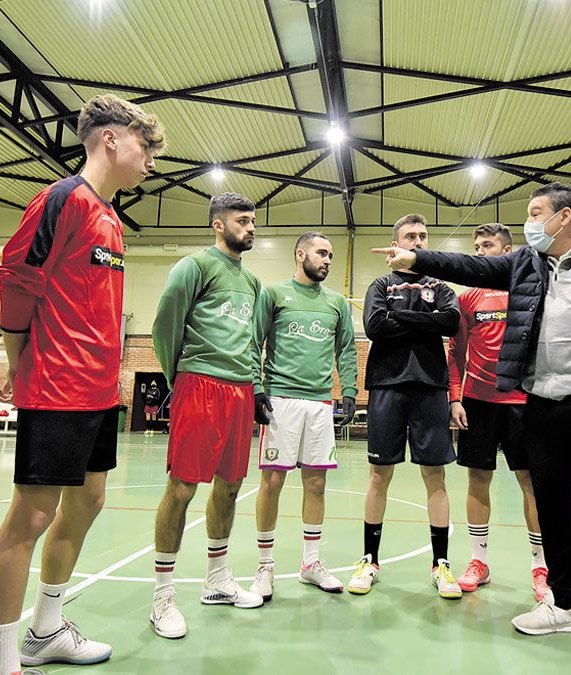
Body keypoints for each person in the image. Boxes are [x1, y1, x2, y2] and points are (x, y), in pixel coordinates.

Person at [373, 183, 571, 675]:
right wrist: (417, 258)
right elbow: (469, 268)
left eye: (536, 213)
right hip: (541, 405)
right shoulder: (526, 265)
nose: (528, 223)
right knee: (554, 509)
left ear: (564, 217)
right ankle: (563, 606)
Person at [0, 94, 164, 675]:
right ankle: (2, 659)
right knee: (31, 517)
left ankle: (46, 629)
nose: (151, 160)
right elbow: (16, 280)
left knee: (87, 502)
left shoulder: (111, 218)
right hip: (55, 384)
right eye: (145, 145)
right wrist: (18, 361)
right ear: (110, 139)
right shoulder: (63, 200)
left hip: (97, 392)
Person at [149, 193, 266, 640]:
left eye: (253, 221)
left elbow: (253, 342)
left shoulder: (253, 282)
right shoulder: (193, 267)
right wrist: (179, 377)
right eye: (242, 220)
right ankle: (162, 596)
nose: (251, 228)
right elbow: (165, 326)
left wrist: (253, 387)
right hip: (199, 383)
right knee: (182, 488)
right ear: (218, 225)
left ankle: (217, 580)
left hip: (238, 392)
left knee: (231, 485)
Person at [350, 214, 463, 600]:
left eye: (422, 236)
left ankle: (442, 565)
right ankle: (369, 559)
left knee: (436, 476)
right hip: (387, 386)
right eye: (409, 236)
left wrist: (402, 316)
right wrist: (425, 321)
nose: (416, 241)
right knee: (379, 475)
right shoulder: (381, 284)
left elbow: (450, 322)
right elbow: (374, 327)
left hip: (430, 387)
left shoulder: (440, 286)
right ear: (395, 243)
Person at [249, 231, 359, 600]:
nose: (328, 260)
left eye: (331, 254)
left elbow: (346, 349)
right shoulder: (274, 294)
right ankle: (265, 566)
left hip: (319, 404)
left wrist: (348, 392)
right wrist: (255, 388)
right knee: (273, 483)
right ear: (300, 254)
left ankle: (310, 563)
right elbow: (253, 342)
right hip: (281, 400)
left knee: (316, 484)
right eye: (321, 253)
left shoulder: (336, 302)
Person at [446, 224, 549, 601]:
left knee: (531, 483)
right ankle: (479, 562)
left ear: (507, 251)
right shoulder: (468, 298)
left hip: (524, 403)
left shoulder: (528, 291)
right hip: (478, 402)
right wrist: (455, 398)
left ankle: (541, 567)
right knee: (477, 479)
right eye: (475, 246)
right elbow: (455, 354)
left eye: (486, 245)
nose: (479, 251)